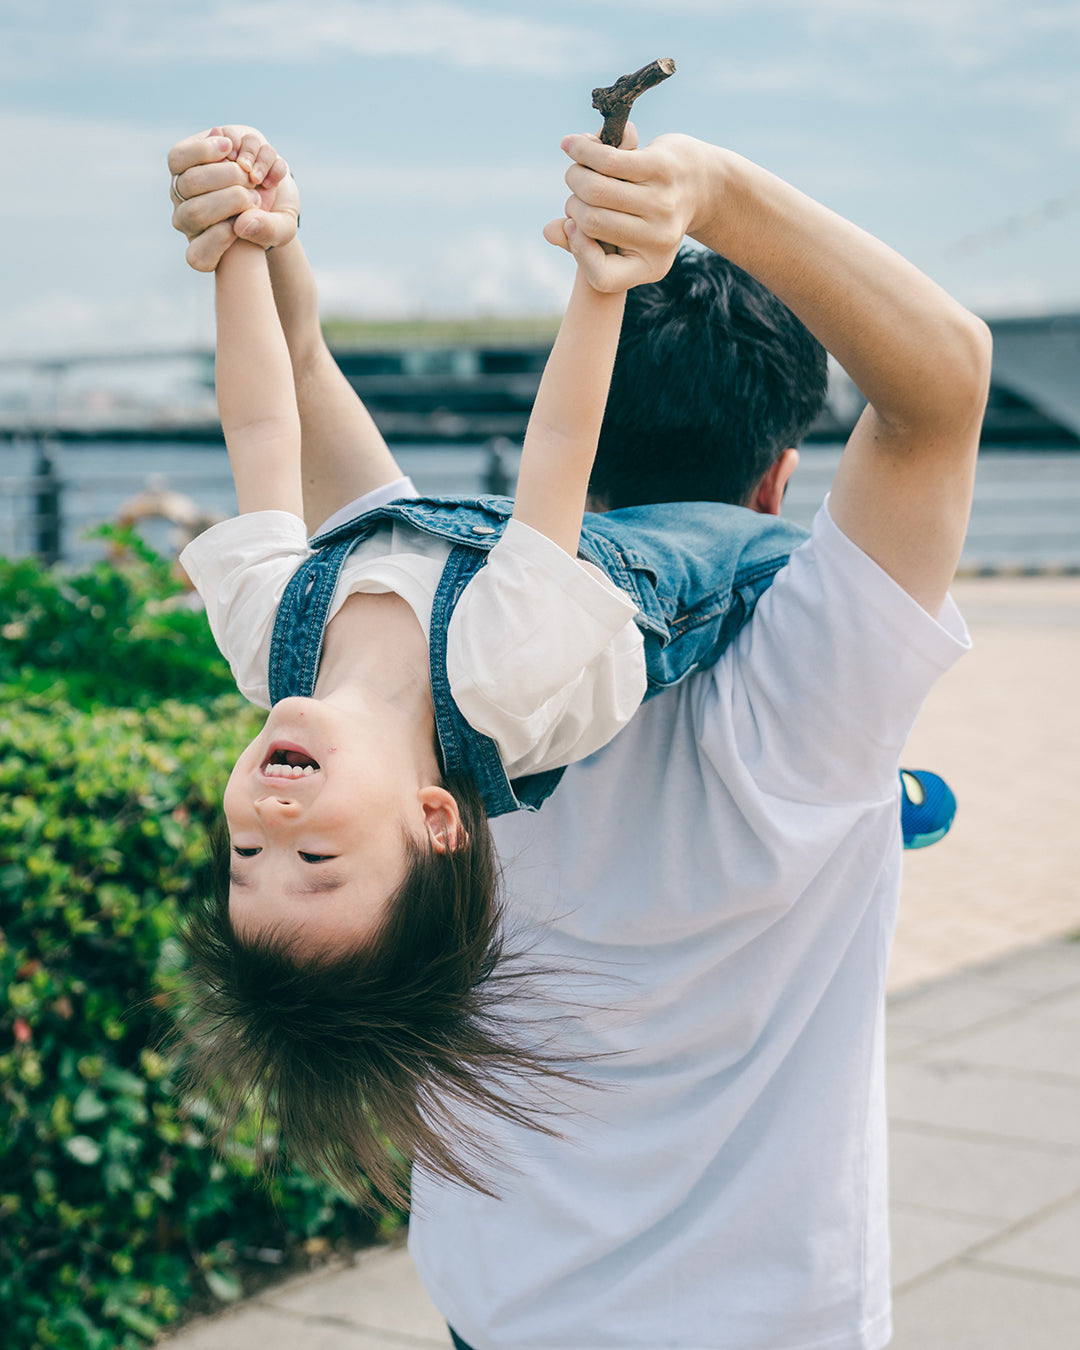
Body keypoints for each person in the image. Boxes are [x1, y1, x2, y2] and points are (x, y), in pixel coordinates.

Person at [169, 121, 989, 1349]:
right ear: (777, 480)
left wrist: (251, 241)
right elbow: (940, 389)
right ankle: (901, 805)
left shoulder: (371, 658)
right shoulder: (801, 690)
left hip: (494, 1316)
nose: (270, 831)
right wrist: (703, 193)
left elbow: (285, 380)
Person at [170, 129, 818, 1209]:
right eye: (319, 858)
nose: (274, 824)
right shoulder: (503, 674)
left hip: (444, 554)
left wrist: (248, 243)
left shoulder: (264, 632)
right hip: (630, 591)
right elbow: (560, 449)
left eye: (244, 853)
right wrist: (600, 278)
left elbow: (261, 411)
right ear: (436, 820)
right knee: (771, 557)